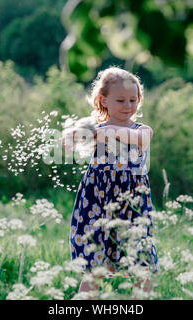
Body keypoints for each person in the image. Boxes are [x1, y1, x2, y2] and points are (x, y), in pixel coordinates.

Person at [67, 66, 159, 299]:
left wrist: (109, 131)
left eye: (133, 99)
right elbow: (69, 144)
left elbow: (139, 141)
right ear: (103, 101)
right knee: (94, 267)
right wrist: (74, 135)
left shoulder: (142, 130)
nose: (128, 106)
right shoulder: (96, 130)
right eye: (120, 100)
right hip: (97, 204)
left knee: (143, 265)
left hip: (133, 205)